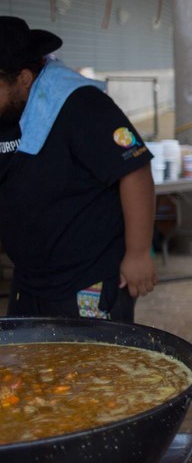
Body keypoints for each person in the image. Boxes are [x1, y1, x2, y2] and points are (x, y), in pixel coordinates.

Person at [0, 16, 156, 321]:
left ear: (24, 79)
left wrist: (138, 252)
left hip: (88, 280)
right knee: (23, 353)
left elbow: (134, 169)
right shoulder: (7, 111)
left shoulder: (81, 105)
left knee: (89, 355)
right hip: (30, 280)